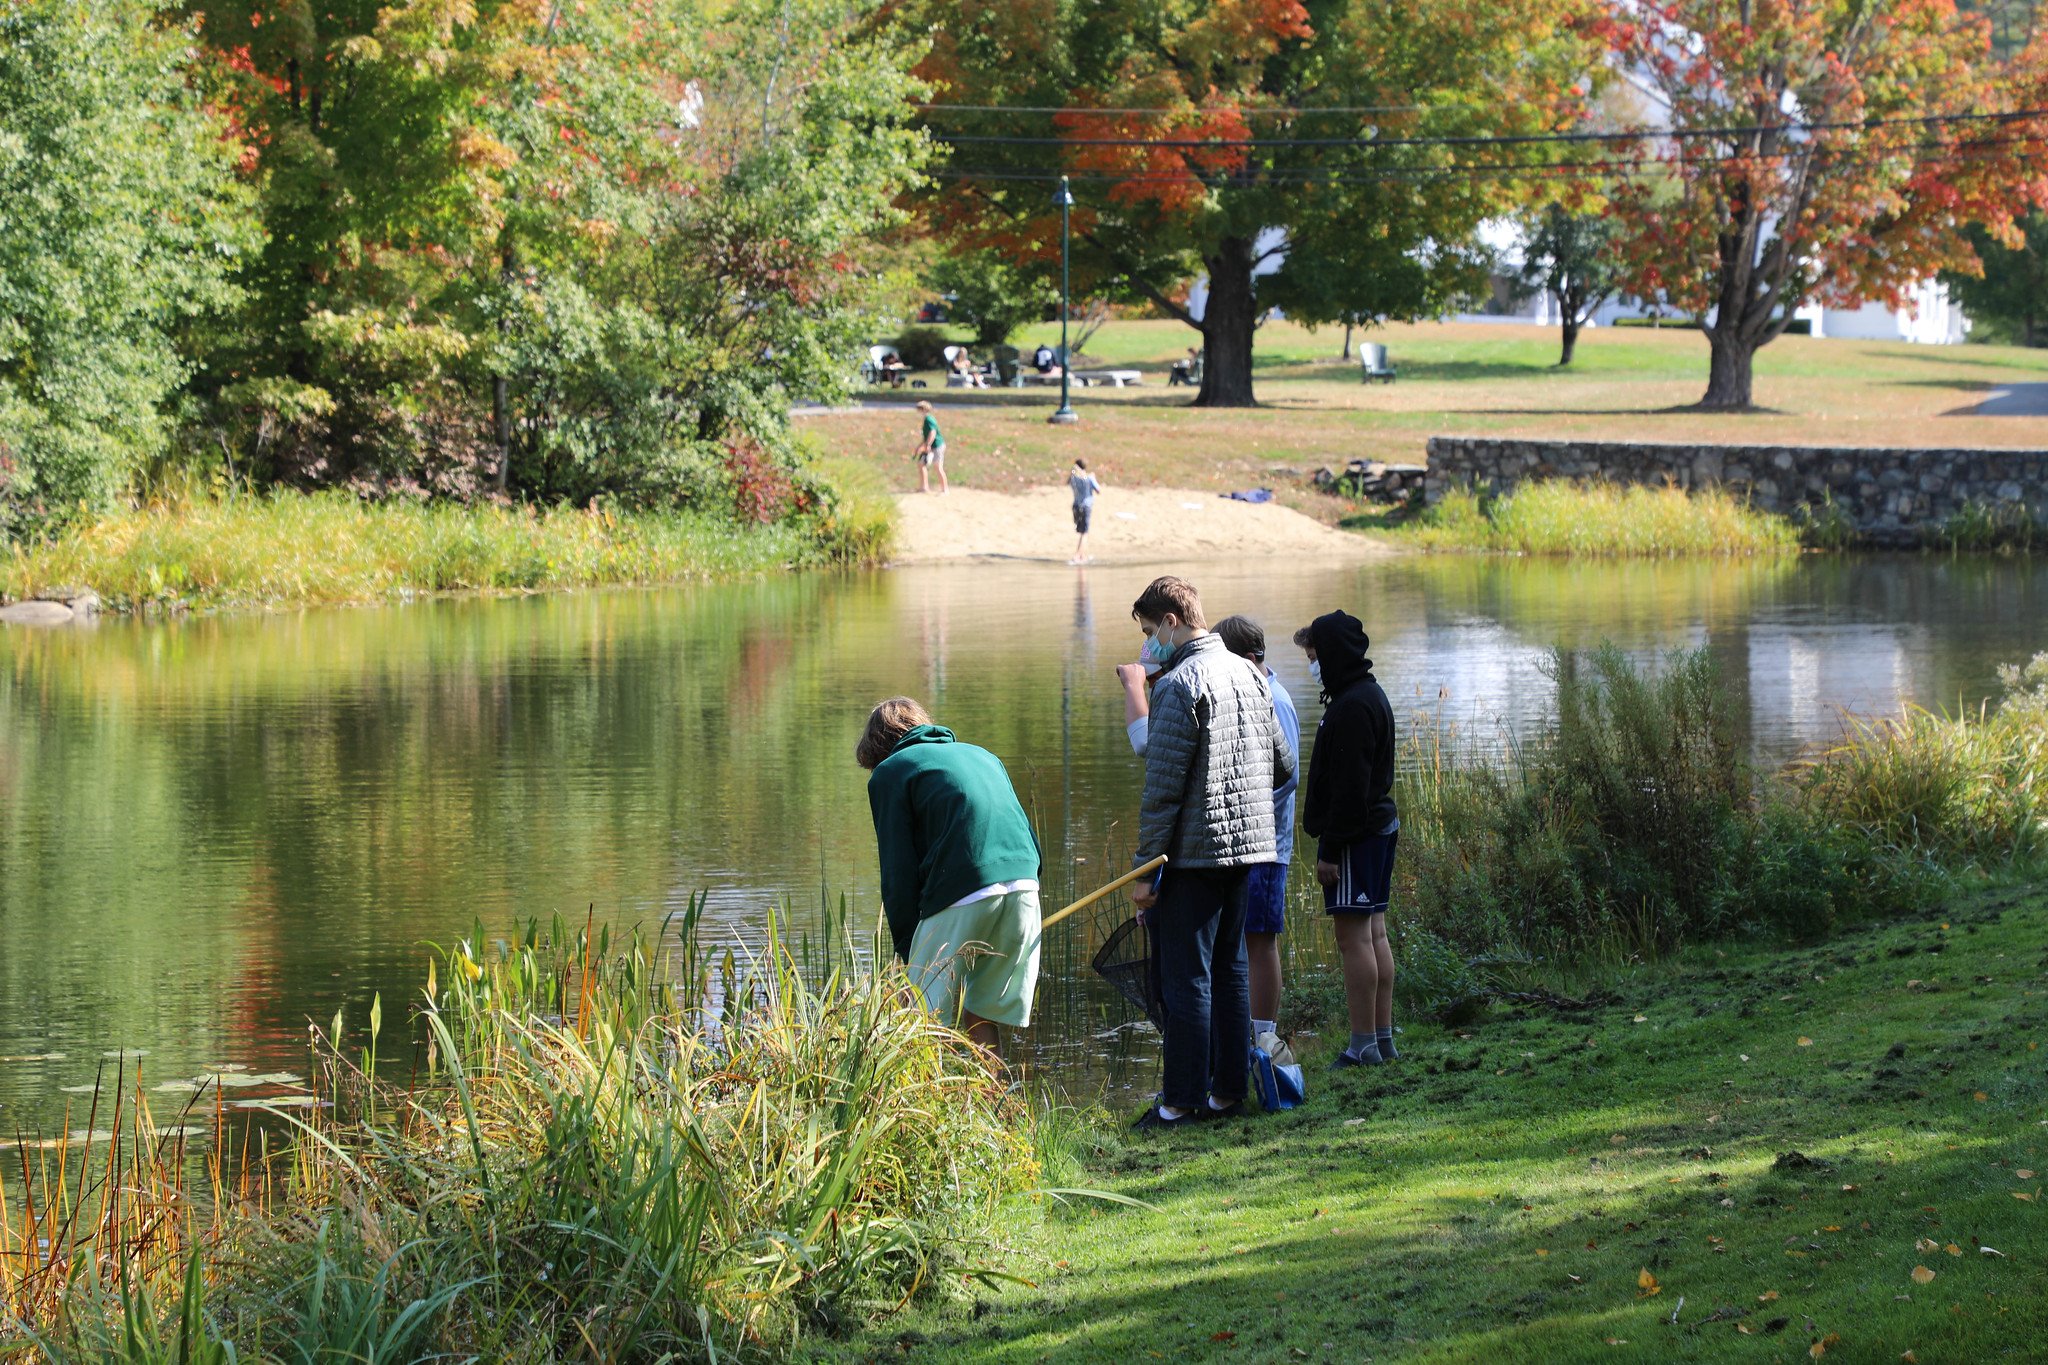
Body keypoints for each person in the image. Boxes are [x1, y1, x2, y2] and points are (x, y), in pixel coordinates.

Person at [1127, 577, 1295, 1130]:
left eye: (1151, 631)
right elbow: (1284, 765)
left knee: (1187, 980)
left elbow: (1163, 790)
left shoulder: (1180, 682)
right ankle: (1227, 1092)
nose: (1150, 643)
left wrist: (1145, 872)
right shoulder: (1251, 673)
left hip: (1195, 857)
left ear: (1172, 621)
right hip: (1248, 852)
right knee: (1230, 971)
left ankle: (1180, 1102)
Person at [859, 697, 1043, 1053]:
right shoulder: (983, 755)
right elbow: (1029, 841)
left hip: (963, 891)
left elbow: (898, 873)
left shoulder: (891, 771)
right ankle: (997, 1106)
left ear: (877, 749)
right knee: (981, 1012)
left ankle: (925, 1105)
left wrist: (908, 950)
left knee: (921, 1021)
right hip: (1025, 885)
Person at [1295, 611, 1400, 1068]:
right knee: (1374, 933)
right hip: (1376, 830)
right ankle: (1381, 1038)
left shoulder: (1353, 707)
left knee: (1354, 939)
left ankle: (1362, 1044)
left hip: (1357, 837)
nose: (1312, 665)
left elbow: (1349, 791)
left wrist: (1329, 850)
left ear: (1333, 655)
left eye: (1314, 656)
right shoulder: (1365, 695)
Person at [1212, 616, 1299, 1052]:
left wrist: (1243, 813)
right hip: (1247, 843)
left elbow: (1286, 777)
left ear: (1248, 660)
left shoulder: (1274, 699)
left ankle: (1264, 1037)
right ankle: (1248, 1034)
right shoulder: (1255, 693)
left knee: (1261, 941)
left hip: (1265, 844)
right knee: (1245, 940)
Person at [1068, 458, 1101, 564]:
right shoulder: (1089, 478)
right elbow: (1098, 490)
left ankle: (1081, 555)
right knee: (1084, 533)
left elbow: (1070, 483)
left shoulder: (1073, 478)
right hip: (1086, 506)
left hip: (1076, 506)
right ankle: (1077, 555)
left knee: (1081, 531)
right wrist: (1093, 477)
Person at [913, 399, 948, 494]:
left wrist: (927, 445)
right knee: (921, 464)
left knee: (938, 466)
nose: (918, 411)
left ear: (924, 409)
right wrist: (919, 447)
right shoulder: (926, 420)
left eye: (919, 409)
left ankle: (945, 489)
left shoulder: (929, 419)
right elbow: (926, 436)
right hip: (931, 446)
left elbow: (932, 433)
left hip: (937, 446)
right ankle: (924, 487)